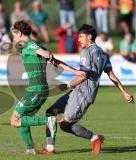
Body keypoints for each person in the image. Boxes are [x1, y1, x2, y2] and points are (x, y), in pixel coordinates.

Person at [41, 24, 134, 154]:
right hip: (79, 92)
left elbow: (83, 76)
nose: (78, 39)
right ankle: (50, 148)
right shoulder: (104, 54)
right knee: (51, 112)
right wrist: (124, 92)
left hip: (83, 94)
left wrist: (66, 85)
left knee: (65, 124)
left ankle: (95, 138)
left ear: (89, 37)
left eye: (80, 36)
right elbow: (111, 74)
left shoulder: (86, 52)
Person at [10, 20, 86, 154]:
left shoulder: (30, 45)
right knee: (23, 117)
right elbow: (56, 61)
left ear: (20, 33)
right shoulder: (37, 44)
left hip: (35, 90)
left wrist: (47, 55)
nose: (14, 38)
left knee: (15, 120)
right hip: (40, 89)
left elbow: (46, 54)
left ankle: (49, 120)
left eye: (14, 35)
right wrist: (75, 71)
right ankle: (30, 149)